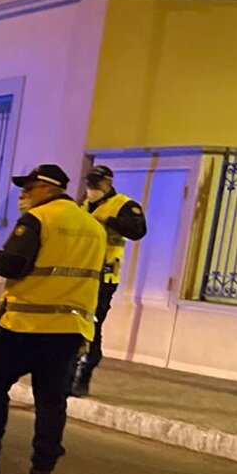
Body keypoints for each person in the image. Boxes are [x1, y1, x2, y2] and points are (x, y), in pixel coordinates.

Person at [0, 163, 107, 474]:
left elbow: (15, 264)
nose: (23, 194)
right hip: (68, 330)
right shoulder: (94, 227)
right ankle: (41, 473)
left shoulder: (37, 220)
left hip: (23, 326)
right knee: (52, 403)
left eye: (29, 187)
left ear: (49, 188)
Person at [74, 164, 149, 396]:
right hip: (77, 277)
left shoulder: (124, 205)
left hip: (103, 278)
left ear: (108, 183)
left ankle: (84, 374)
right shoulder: (83, 205)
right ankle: (67, 375)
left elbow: (138, 230)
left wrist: (110, 222)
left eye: (97, 184)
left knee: (92, 327)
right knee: (73, 326)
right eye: (89, 184)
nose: (92, 189)